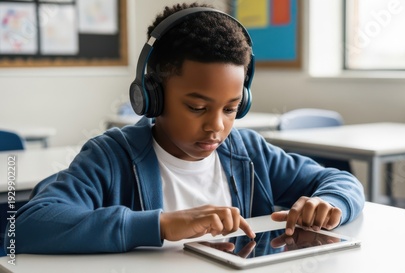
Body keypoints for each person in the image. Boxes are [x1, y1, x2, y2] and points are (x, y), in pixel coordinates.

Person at [6, 2, 364, 254]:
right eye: (197, 107)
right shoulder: (111, 156)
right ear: (152, 96)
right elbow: (28, 226)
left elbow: (343, 182)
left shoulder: (249, 152)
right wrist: (160, 225)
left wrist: (329, 203)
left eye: (231, 108)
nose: (216, 126)